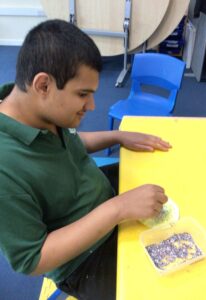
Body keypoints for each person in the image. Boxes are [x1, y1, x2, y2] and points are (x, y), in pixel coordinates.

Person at [0, 19, 171, 300]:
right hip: (85, 259)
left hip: (103, 200)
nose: (91, 106)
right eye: (83, 95)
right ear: (43, 84)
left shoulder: (34, 109)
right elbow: (32, 260)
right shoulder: (5, 168)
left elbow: (67, 143)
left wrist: (117, 137)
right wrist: (118, 209)